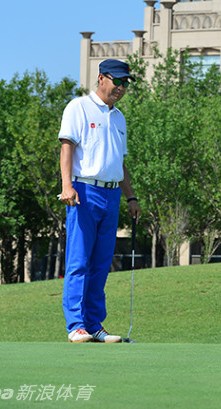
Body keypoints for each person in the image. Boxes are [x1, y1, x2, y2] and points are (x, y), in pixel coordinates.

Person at [58, 59, 141, 343]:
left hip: (111, 194)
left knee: (102, 263)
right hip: (83, 191)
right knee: (79, 260)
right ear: (101, 78)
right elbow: (67, 147)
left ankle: (94, 324)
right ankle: (76, 325)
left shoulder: (119, 118)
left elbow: (119, 163)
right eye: (117, 81)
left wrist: (131, 196)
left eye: (125, 83)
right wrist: (66, 185)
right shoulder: (78, 107)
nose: (121, 87)